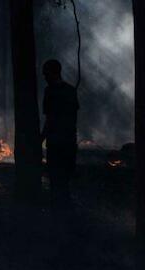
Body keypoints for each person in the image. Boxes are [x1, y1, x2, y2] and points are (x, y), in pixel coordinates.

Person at [41, 59, 79, 212]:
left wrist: (41, 138)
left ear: (52, 73)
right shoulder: (70, 90)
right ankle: (64, 210)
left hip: (57, 142)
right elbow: (73, 117)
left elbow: (49, 119)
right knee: (63, 180)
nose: (45, 77)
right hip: (68, 141)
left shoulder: (50, 91)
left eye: (46, 74)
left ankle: (59, 211)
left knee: (57, 180)